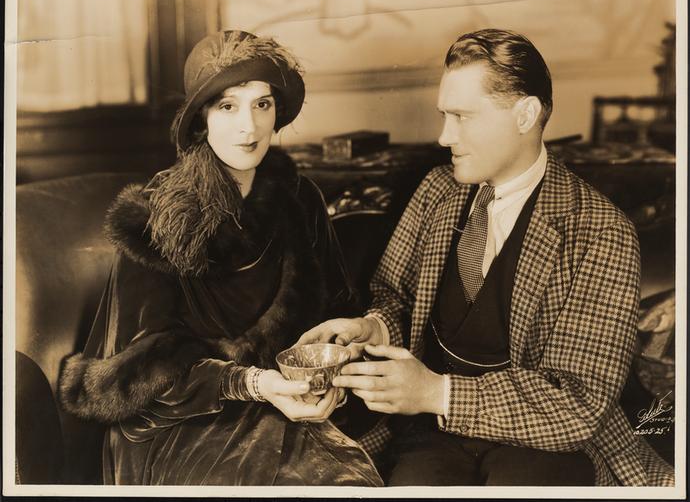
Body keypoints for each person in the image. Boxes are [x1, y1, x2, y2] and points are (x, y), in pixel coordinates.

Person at [298, 28, 675, 486]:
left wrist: (437, 392)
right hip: (432, 434)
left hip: (546, 444)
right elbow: (397, 299)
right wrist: (373, 328)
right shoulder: (436, 191)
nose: (444, 136)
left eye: (462, 117)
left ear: (525, 115)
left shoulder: (601, 231)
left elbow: (579, 403)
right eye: (444, 115)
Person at [57, 30, 382, 486]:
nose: (249, 126)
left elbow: (337, 313)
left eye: (262, 104)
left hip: (285, 405)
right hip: (179, 422)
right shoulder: (156, 215)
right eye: (228, 106)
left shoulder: (300, 198)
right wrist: (254, 384)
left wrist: (334, 375)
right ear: (201, 120)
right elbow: (144, 371)